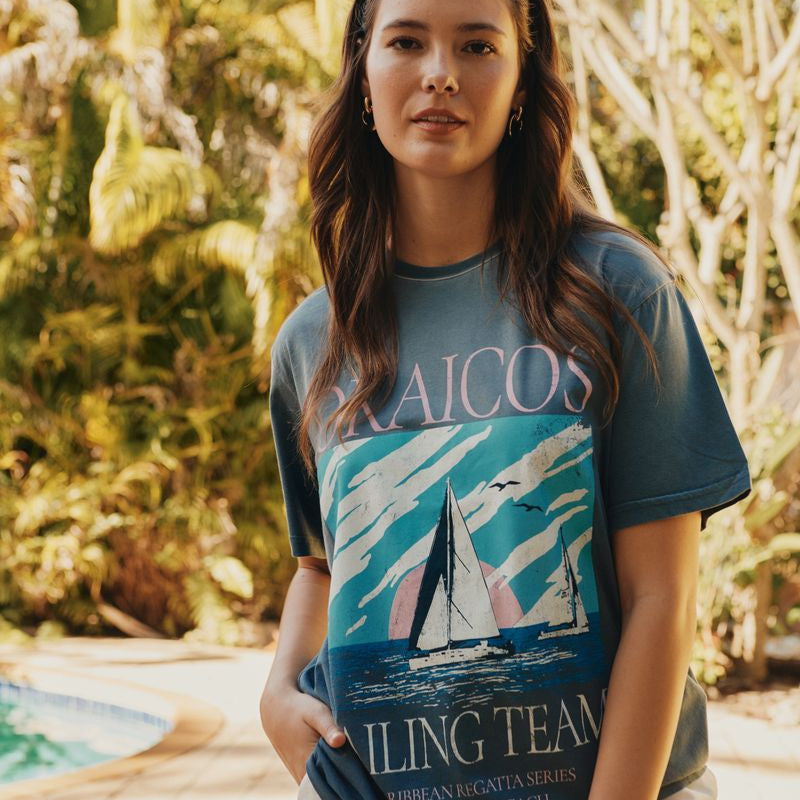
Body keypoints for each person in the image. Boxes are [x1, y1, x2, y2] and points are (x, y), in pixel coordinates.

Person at [260, 1, 751, 798]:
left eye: (478, 44)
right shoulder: (313, 342)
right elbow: (321, 562)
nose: (440, 73)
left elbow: (663, 598)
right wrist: (280, 696)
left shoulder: (618, 293)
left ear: (522, 80)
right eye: (408, 41)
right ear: (363, 73)